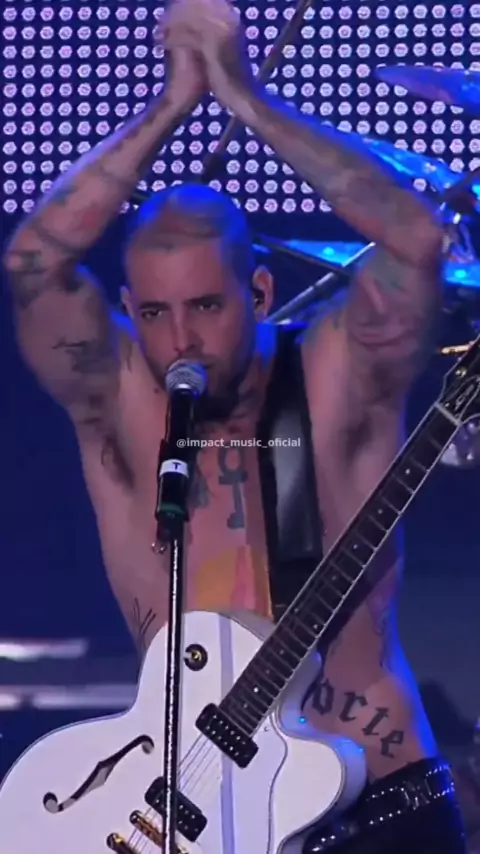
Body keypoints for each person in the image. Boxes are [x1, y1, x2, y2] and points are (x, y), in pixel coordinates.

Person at [2, 0, 466, 851]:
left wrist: (245, 99)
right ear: (129, 308)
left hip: (374, 801)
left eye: (208, 307)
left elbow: (416, 243)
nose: (182, 338)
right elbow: (34, 260)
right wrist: (172, 104)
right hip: (185, 822)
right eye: (157, 313)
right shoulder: (117, 399)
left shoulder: (335, 373)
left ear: (258, 292)